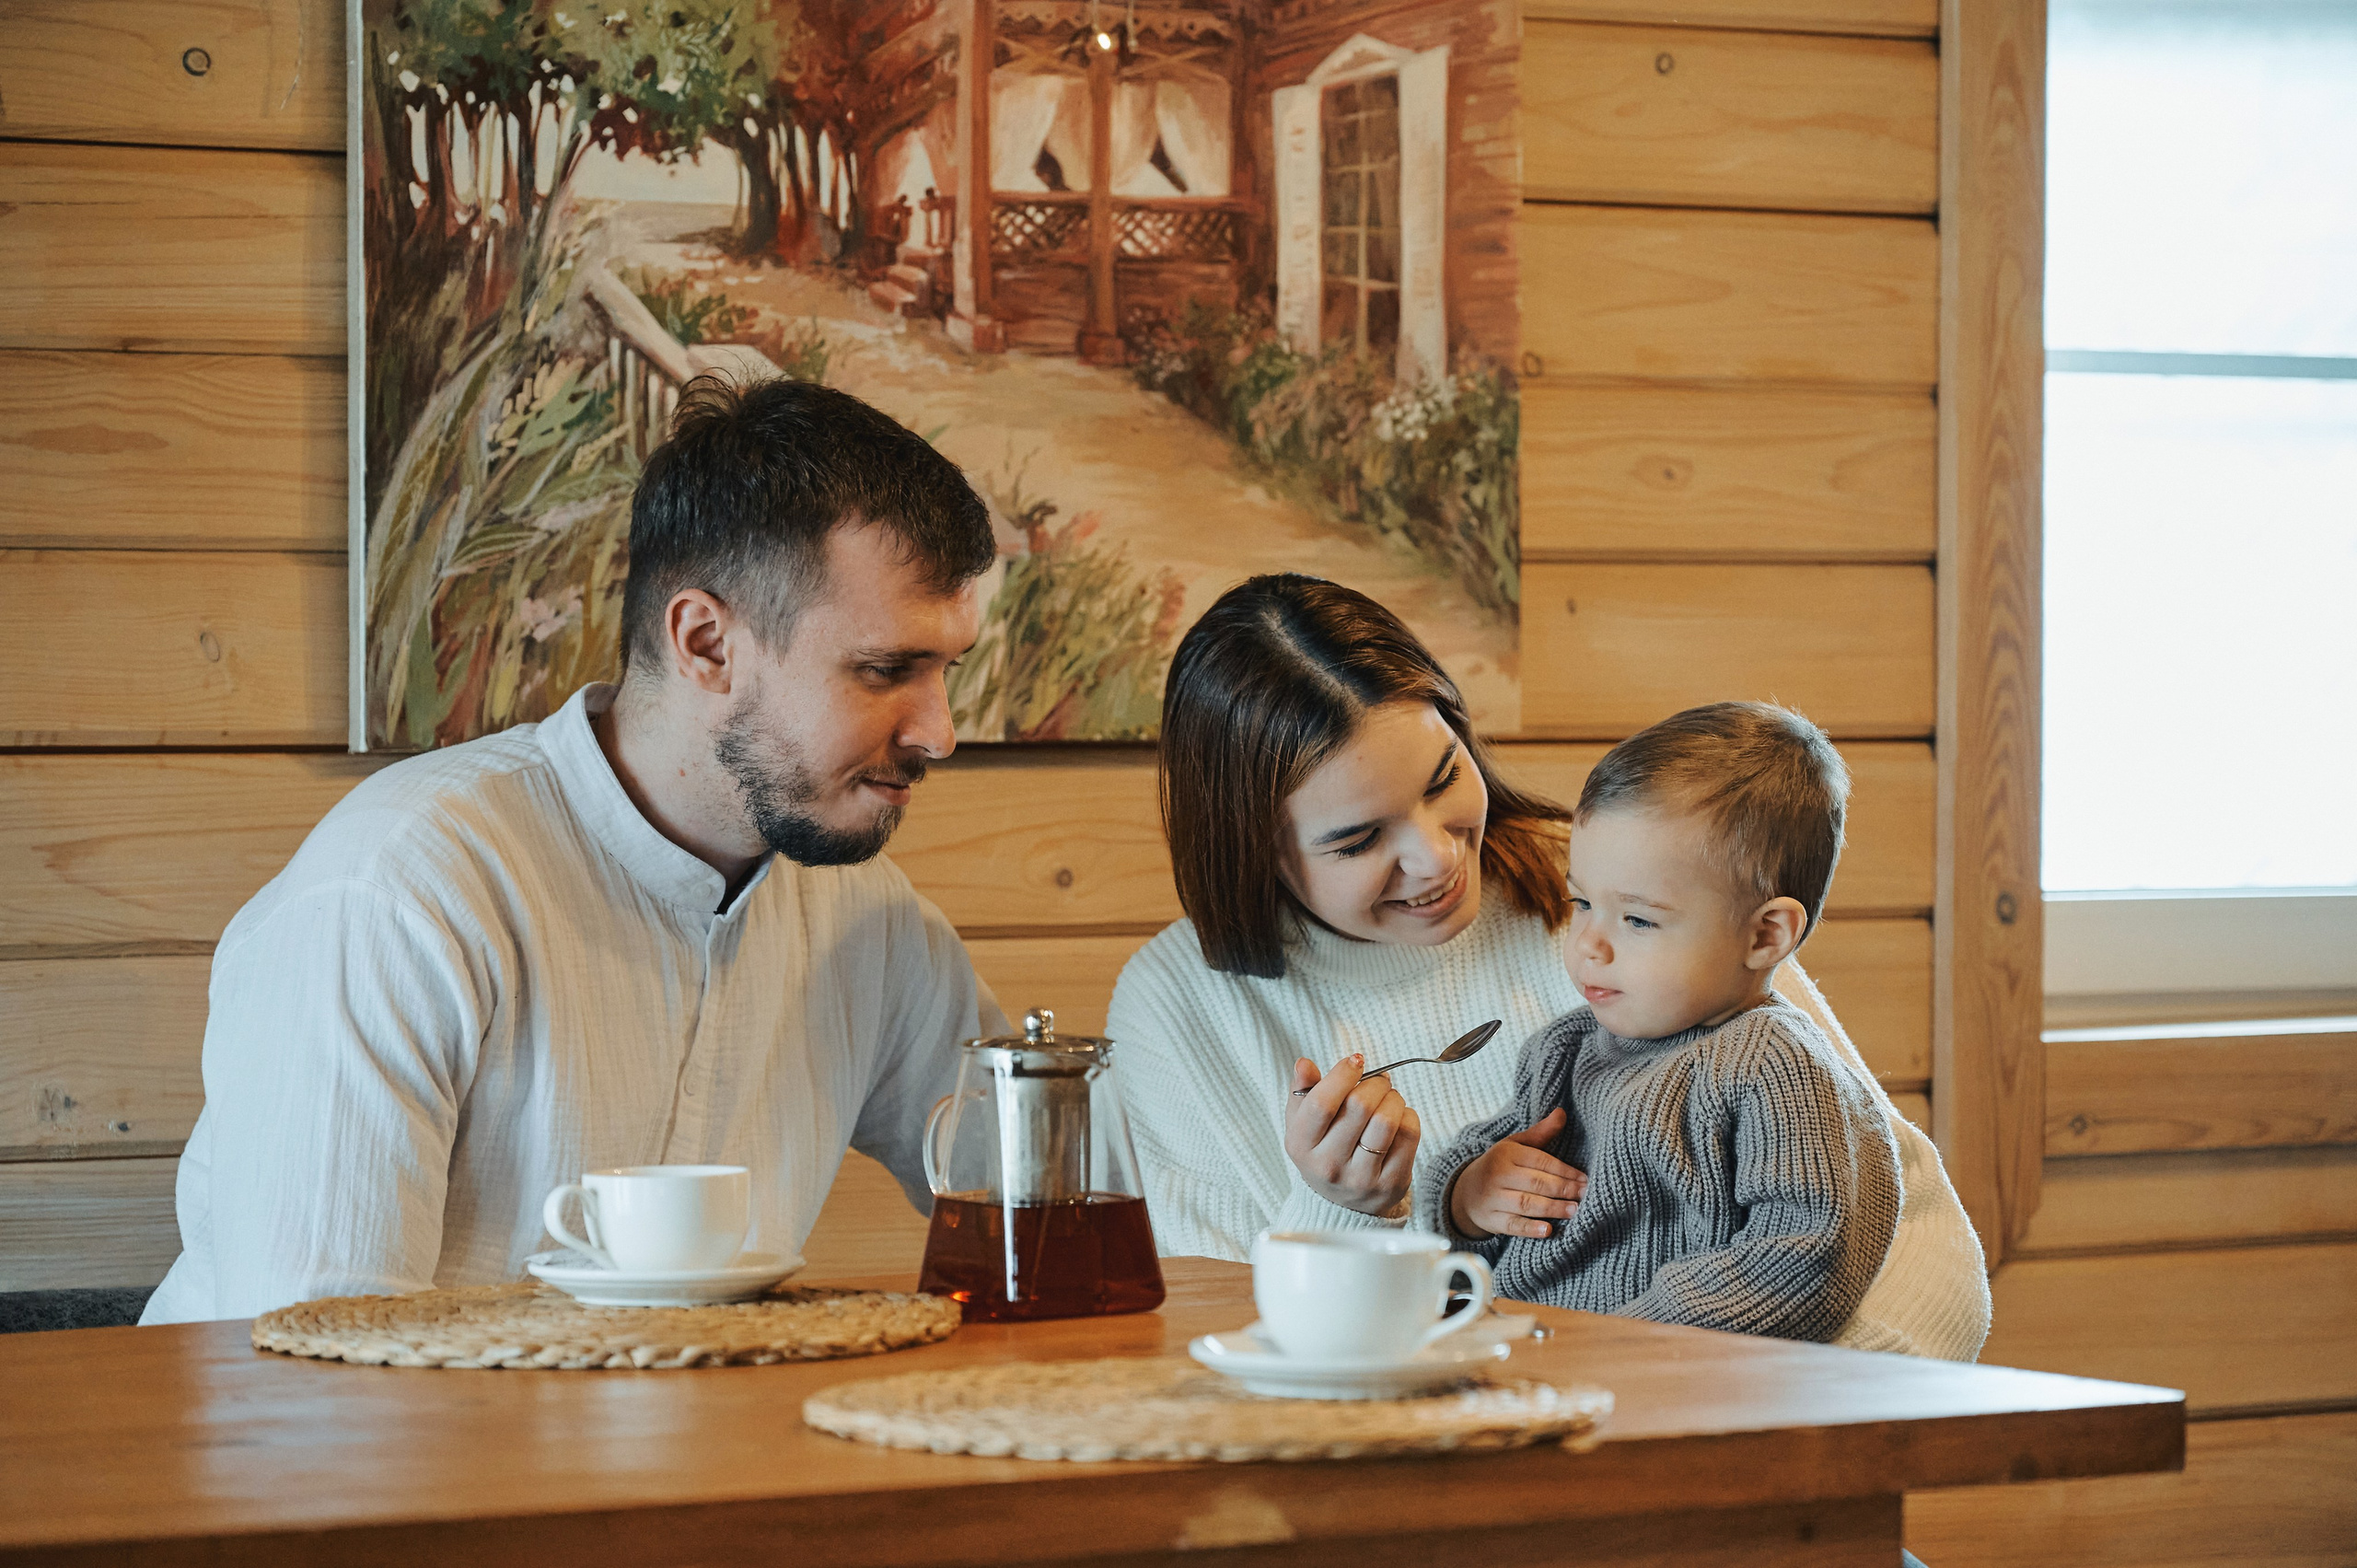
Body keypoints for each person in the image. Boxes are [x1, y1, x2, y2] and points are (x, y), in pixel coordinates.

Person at [143, 377, 1006, 1323]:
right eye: (887, 670)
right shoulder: (398, 887)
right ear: (706, 642)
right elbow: (319, 1373)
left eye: (945, 670)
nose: (939, 731)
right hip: (322, 1459)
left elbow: (1060, 1190)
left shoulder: (866, 922)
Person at [1108, 574, 1990, 1361]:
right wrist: (1353, 1209)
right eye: (1359, 839)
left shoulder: (1631, 888)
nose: (1436, 858)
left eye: (1443, 776)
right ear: (1254, 851)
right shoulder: (1178, 1007)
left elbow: (1912, 1230)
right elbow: (1220, 1341)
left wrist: (1773, 1426)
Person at [1419, 703, 1898, 1340]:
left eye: (1638, 919)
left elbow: (1802, 1258)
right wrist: (1470, 1196)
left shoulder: (1775, 1064)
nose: (1590, 942)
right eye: (1583, 902)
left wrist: (1625, 1342)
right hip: (1518, 1353)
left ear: (1765, 934)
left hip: (1663, 1375)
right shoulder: (1564, 1051)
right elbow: (1468, 1177)